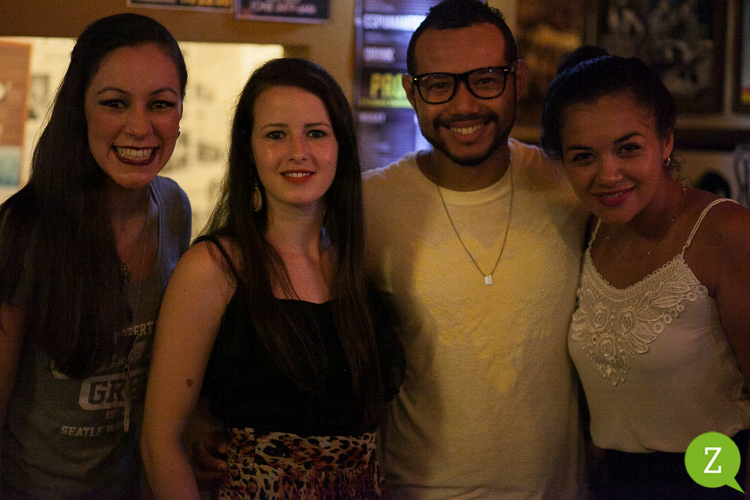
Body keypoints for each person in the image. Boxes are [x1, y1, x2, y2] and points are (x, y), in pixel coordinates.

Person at [141, 57, 404, 499]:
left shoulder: (358, 268)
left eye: (315, 133)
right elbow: (159, 444)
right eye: (276, 134)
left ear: (340, 146)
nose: (298, 151)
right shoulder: (213, 267)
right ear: (248, 150)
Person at [362, 0, 588, 498]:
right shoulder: (366, 205)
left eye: (485, 79)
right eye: (439, 84)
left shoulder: (572, 190)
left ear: (517, 80)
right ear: (411, 92)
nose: (463, 105)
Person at [541, 47, 750, 499]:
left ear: (666, 142)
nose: (607, 174)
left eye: (628, 148)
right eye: (583, 157)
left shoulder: (724, 230)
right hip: (612, 484)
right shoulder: (591, 231)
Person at [0, 13, 191, 499]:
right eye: (114, 103)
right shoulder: (24, 229)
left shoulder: (174, 209)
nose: (140, 127)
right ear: (79, 109)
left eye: (160, 104)